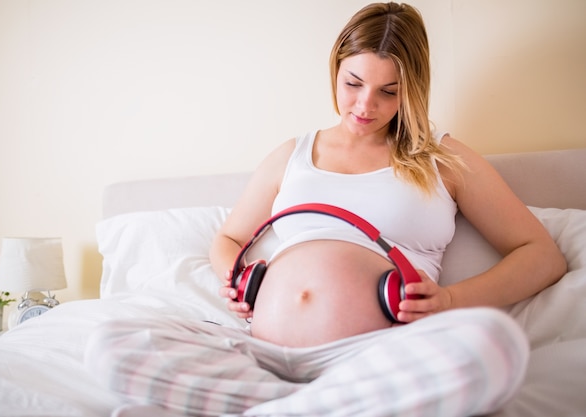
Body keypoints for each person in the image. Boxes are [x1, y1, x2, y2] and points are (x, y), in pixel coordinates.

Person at [85, 3, 567, 416]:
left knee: (495, 346)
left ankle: (266, 406)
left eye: (388, 91)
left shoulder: (443, 159)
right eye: (353, 82)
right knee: (110, 343)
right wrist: (237, 276)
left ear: (413, 89)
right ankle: (311, 405)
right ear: (335, 68)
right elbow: (227, 240)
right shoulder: (291, 155)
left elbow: (541, 255)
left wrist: (452, 301)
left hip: (378, 353)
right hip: (261, 353)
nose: (363, 105)